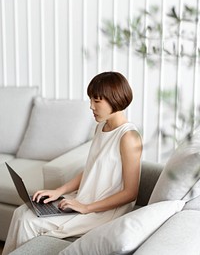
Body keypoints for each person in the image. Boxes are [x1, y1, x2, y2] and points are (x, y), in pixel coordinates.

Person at [2, 71, 142, 255]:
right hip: (85, 199)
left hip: (103, 210)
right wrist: (58, 191)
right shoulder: (101, 127)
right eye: (90, 99)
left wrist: (85, 208)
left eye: (96, 101)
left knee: (29, 221)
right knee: (21, 212)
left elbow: (130, 193)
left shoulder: (129, 137)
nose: (91, 106)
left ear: (114, 99)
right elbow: (91, 170)